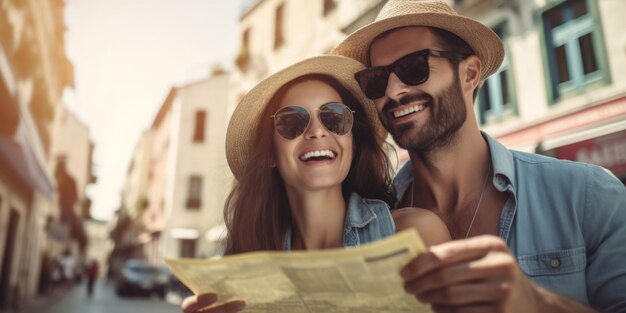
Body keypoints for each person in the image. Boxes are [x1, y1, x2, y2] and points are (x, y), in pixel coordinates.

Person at [332, 0, 626, 311]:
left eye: (413, 68)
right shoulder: (371, 223)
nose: (393, 92)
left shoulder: (587, 196)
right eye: (376, 81)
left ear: (470, 73)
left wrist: (536, 302)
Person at [181, 55, 451, 313]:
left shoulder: (417, 235)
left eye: (335, 117)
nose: (317, 131)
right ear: (271, 155)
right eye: (291, 121)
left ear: (353, 143)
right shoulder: (242, 272)